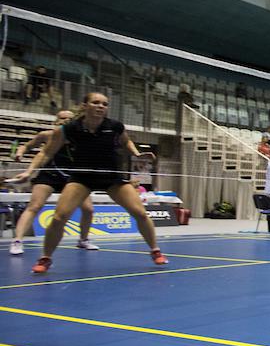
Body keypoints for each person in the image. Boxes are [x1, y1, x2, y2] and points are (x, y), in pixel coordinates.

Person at [12, 92, 167, 273]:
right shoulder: (70, 128)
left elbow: (126, 141)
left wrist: (137, 154)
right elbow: (46, 152)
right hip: (82, 177)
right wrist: (30, 171)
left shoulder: (115, 126)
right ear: (85, 105)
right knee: (59, 217)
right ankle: (45, 258)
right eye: (96, 103)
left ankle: (155, 251)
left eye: (104, 104)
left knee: (140, 212)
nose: (101, 106)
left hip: (111, 177)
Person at [10, 109, 99, 256]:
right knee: (35, 206)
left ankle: (83, 240)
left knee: (88, 209)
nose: (64, 121)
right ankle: (17, 241)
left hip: (72, 177)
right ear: (55, 121)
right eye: (61, 118)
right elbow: (26, 146)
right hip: (49, 174)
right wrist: (20, 152)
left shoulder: (80, 137)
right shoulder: (46, 135)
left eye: (68, 119)